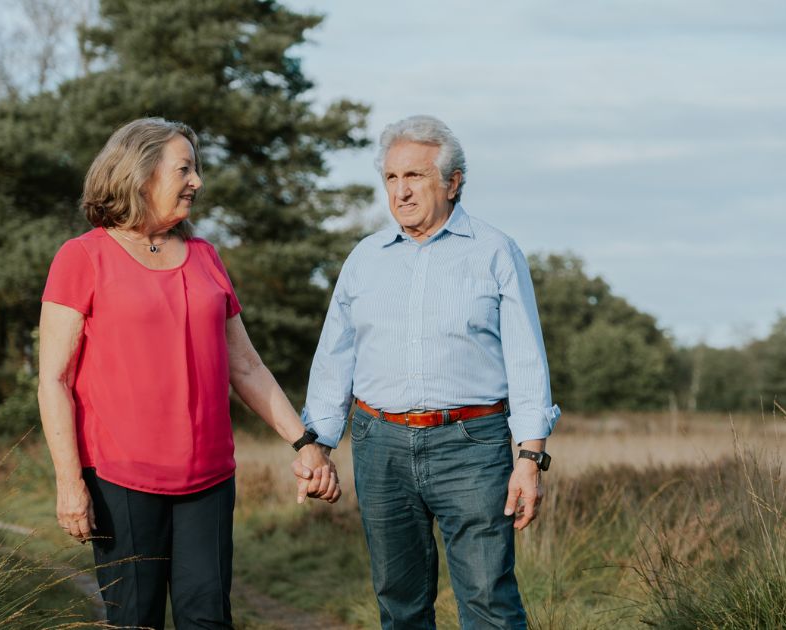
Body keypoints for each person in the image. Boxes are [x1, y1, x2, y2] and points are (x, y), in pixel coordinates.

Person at [37, 117, 339, 630]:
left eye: (196, 169)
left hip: (209, 481)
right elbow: (54, 380)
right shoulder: (82, 256)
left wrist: (304, 442)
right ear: (142, 172)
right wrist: (70, 483)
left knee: (208, 620)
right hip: (121, 482)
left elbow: (246, 365)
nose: (197, 181)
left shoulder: (206, 257)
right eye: (185, 169)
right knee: (135, 620)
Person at [302, 115, 560, 629]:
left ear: (453, 182)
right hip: (380, 446)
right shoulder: (364, 259)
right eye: (392, 179)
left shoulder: (495, 252)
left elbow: (526, 358)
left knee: (489, 601)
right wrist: (317, 443)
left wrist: (529, 457)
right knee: (399, 604)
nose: (401, 192)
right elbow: (335, 357)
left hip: (472, 444)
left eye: (415, 176)